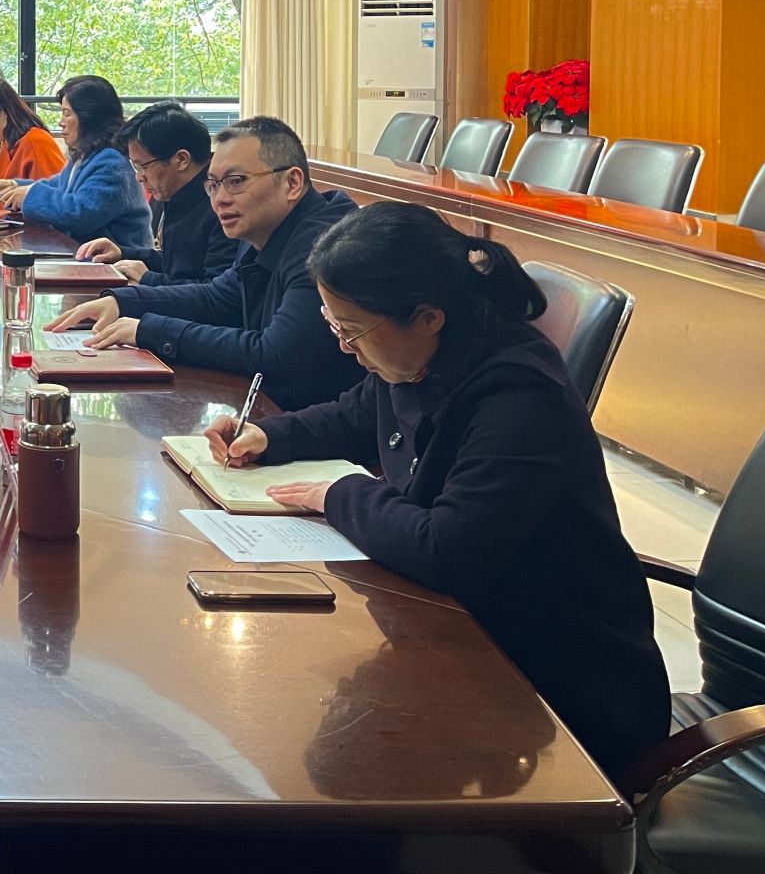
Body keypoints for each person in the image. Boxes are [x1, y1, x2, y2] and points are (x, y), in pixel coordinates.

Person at [203, 201, 670, 781]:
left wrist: (340, 493)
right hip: (466, 630)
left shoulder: (520, 396)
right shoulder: (422, 355)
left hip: (557, 690)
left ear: (427, 317)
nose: (345, 348)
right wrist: (269, 435)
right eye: (334, 325)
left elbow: (445, 549)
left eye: (352, 331)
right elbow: (358, 412)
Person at [49, 116, 359, 409]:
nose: (220, 199)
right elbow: (219, 297)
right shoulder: (264, 229)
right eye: (213, 185)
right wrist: (123, 302)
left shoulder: (326, 245)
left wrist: (150, 330)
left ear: (292, 183)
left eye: (236, 181)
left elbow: (275, 355)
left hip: (319, 427)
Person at [77, 101, 237, 285]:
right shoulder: (178, 194)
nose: (139, 177)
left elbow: (216, 292)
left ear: (181, 159)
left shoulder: (222, 204)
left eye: (142, 166)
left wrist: (149, 278)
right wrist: (123, 253)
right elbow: (179, 265)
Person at [0, 74, 150, 249]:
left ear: (90, 117)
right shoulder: (88, 155)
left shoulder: (112, 164)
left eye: (67, 114)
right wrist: (15, 186)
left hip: (115, 262)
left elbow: (81, 214)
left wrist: (29, 196)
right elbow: (59, 185)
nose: (61, 122)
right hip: (84, 253)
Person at [0, 75, 66, 181]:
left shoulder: (36, 141)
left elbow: (53, 190)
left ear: (3, 111)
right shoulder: (8, 144)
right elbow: (2, 183)